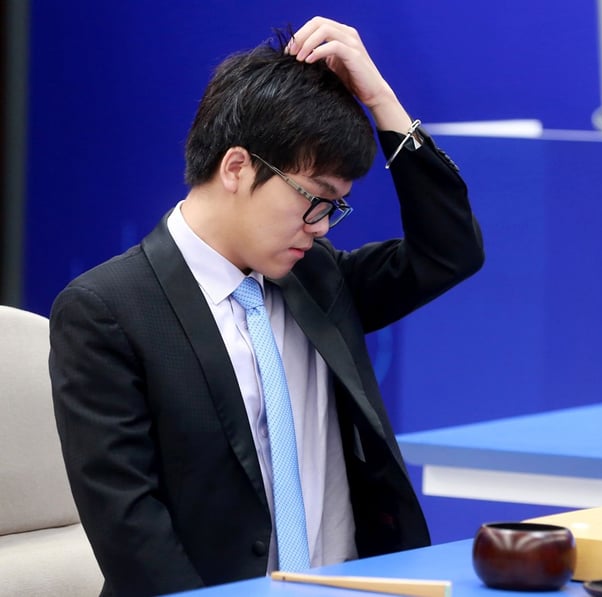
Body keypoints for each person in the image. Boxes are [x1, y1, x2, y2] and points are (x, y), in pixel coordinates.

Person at [48, 16, 484, 596]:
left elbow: (450, 251)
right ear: (236, 167)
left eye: (337, 207)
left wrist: (380, 99)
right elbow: (131, 528)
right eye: (314, 199)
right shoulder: (108, 310)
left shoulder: (317, 279)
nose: (322, 227)